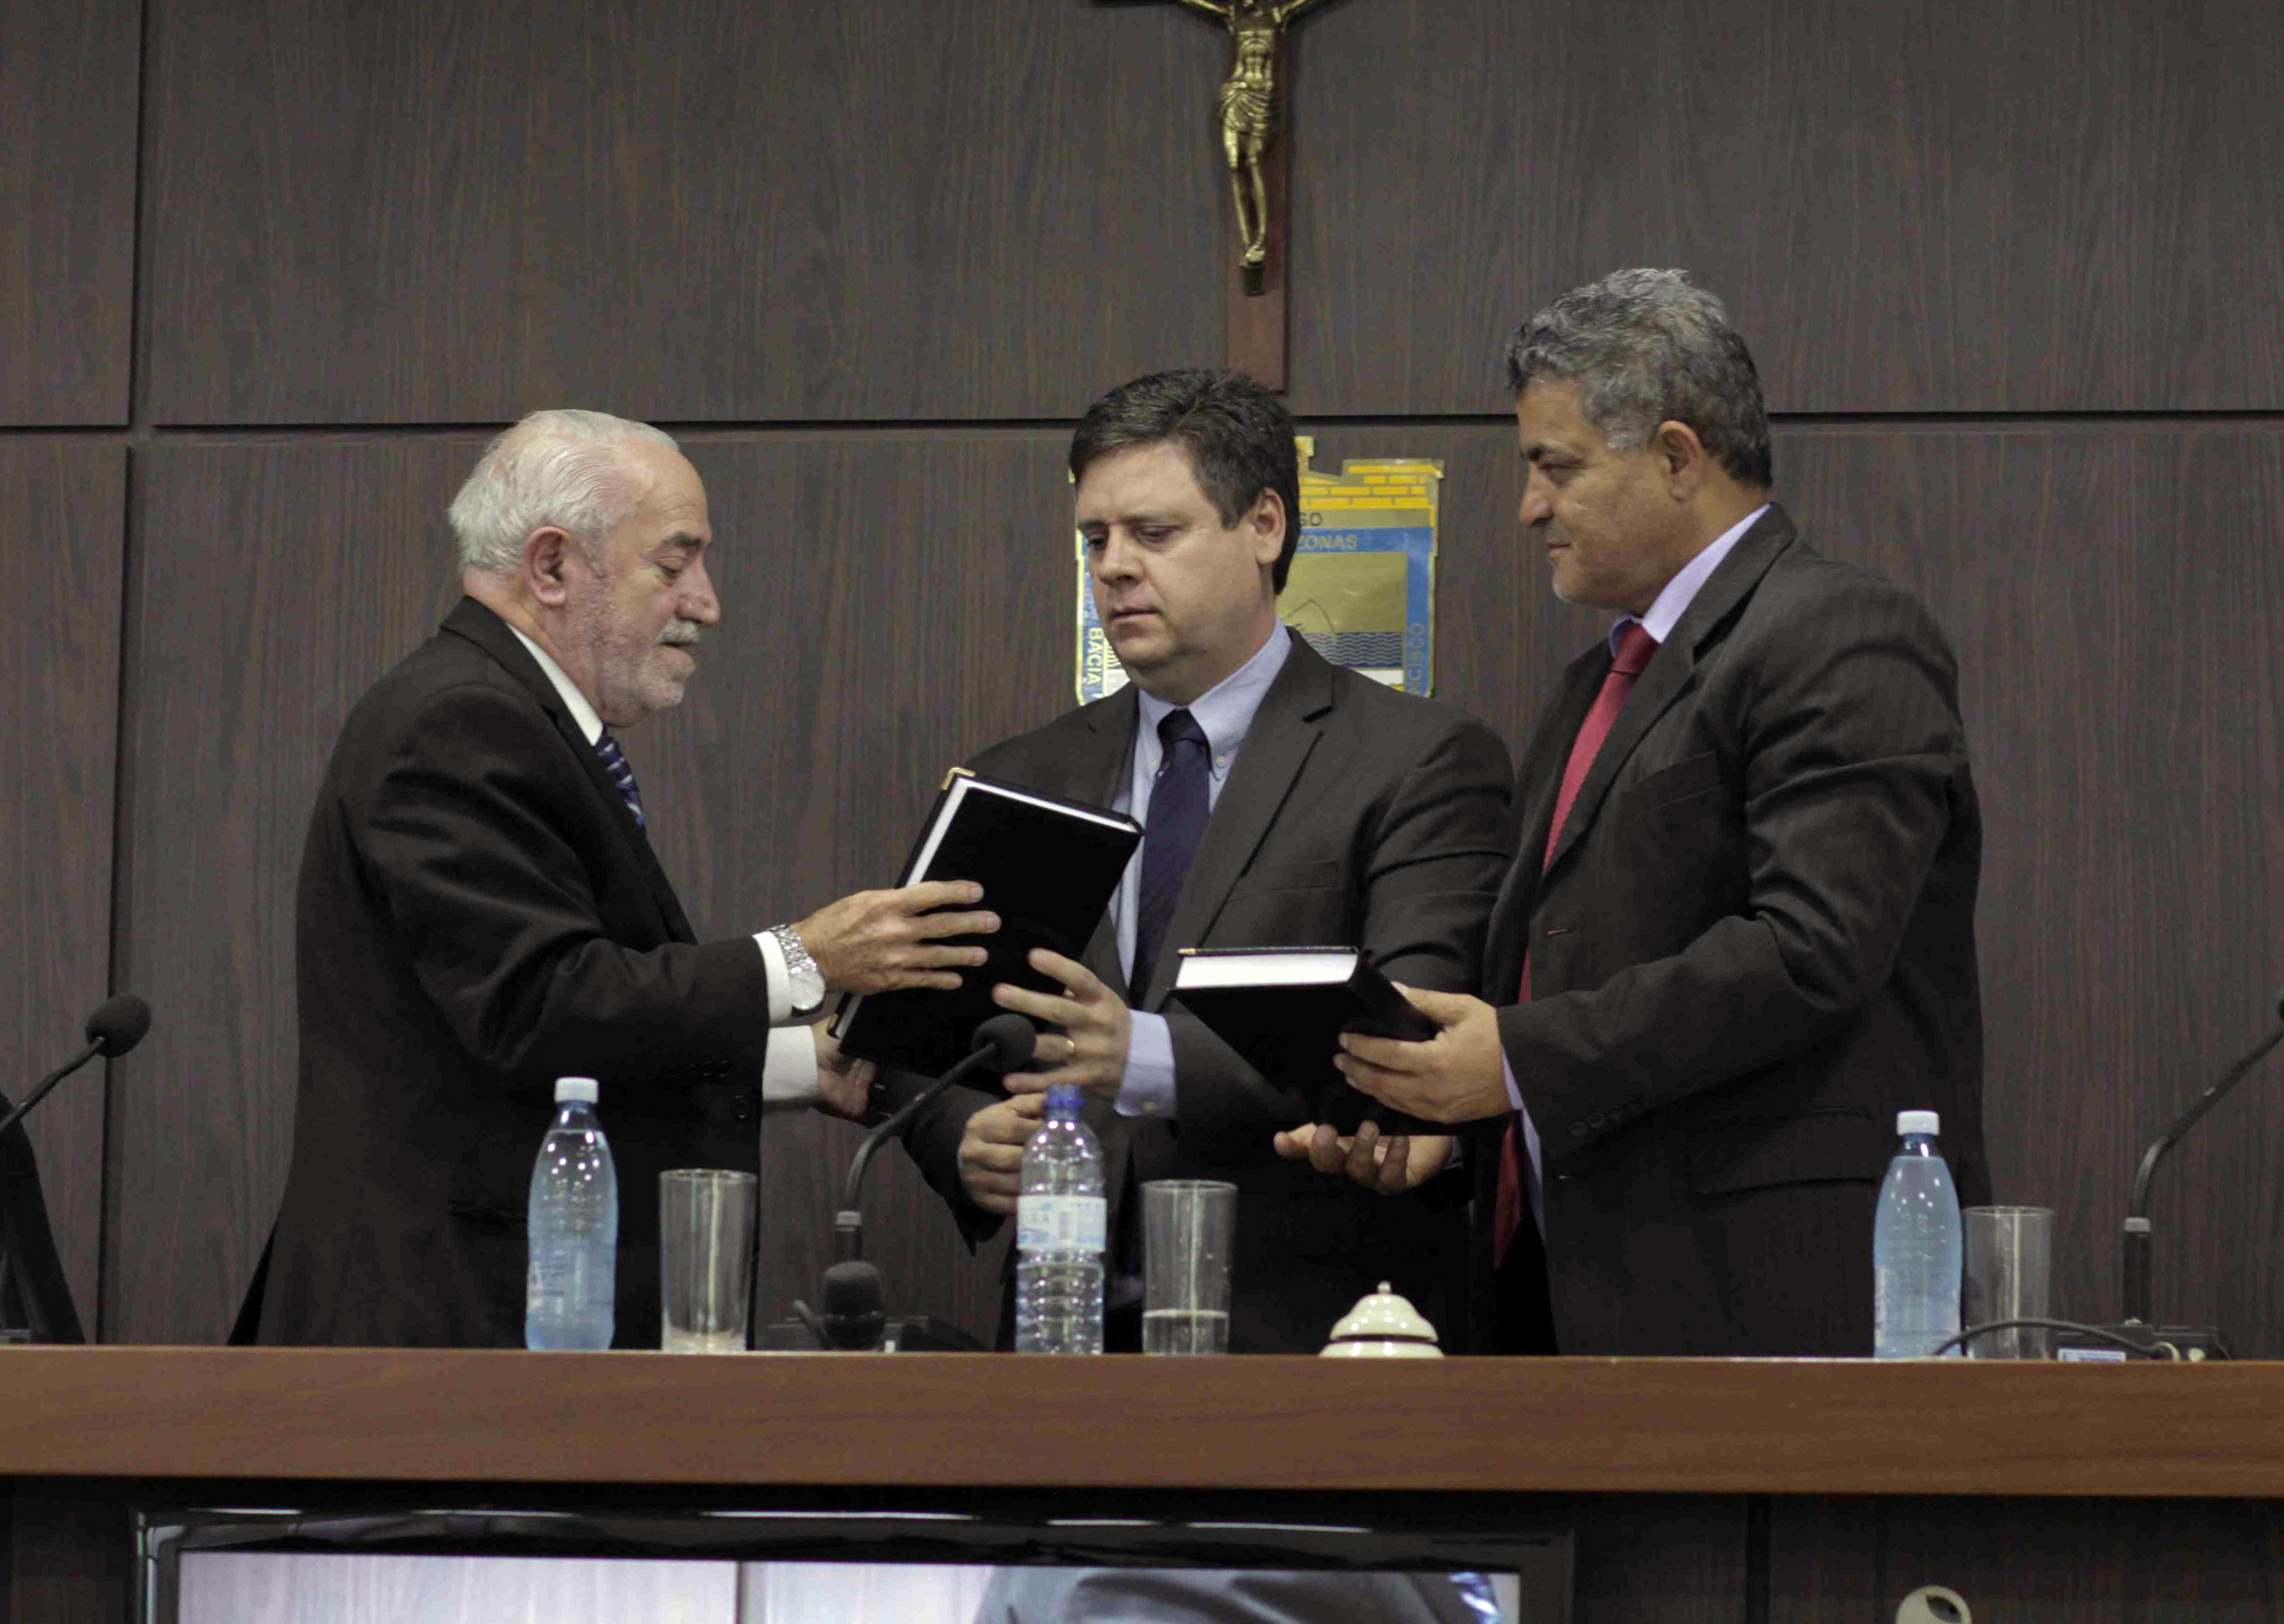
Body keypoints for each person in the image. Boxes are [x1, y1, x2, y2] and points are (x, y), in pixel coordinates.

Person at [1307, 270, 1989, 1356]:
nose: (1530, 505)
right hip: (1567, 1287)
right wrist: (1440, 1102)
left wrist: (1521, 1058)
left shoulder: (1840, 632)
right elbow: (1545, 973)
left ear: (1676, 455)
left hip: (1768, 1290)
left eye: (1556, 466)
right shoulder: (1594, 683)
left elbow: (1813, 950)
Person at [256, 409, 997, 1348]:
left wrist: (809, 1064)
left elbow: (546, 1045)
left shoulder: (512, 715)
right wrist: (802, 956)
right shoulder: (457, 721)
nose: (707, 600)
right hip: (446, 1336)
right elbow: (537, 1003)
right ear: (553, 566)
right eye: (674, 563)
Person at [884, 369, 1513, 1353]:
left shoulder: (1418, 760)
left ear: (1264, 524)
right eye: (1096, 539)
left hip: (1310, 1339)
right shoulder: (1017, 777)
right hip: (1060, 1339)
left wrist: (1145, 1055)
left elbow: (1413, 1049)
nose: (1114, 568)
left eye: (1155, 533)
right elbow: (905, 1046)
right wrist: (956, 1138)